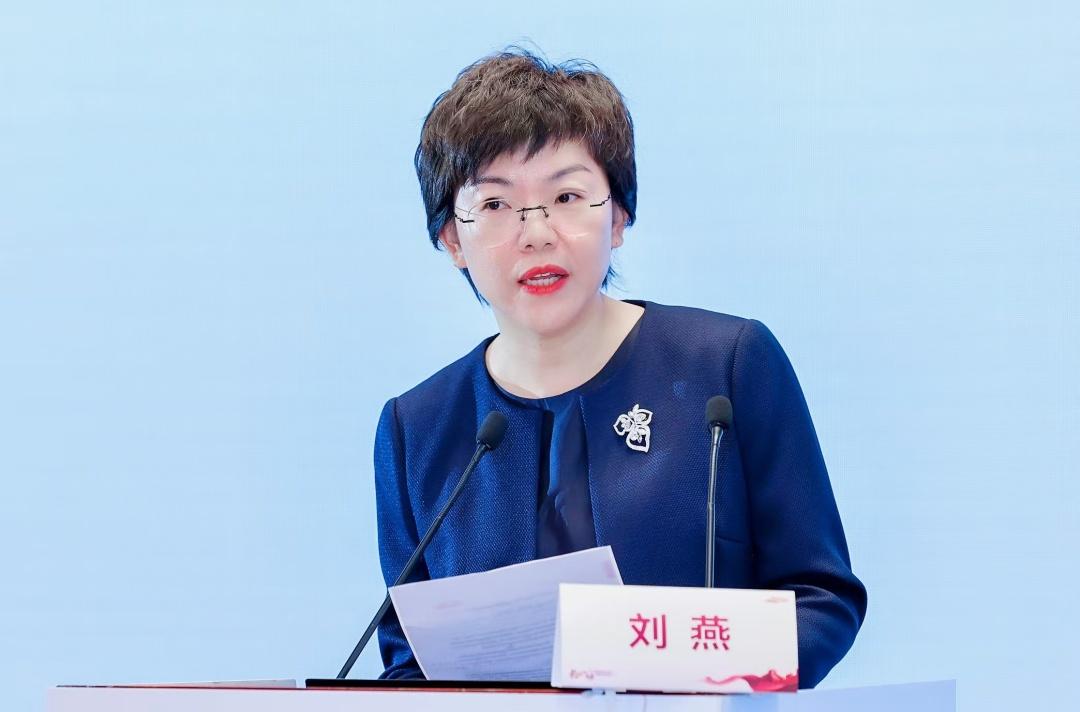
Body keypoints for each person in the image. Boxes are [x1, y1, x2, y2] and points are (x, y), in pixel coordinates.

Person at [373, 48, 867, 688]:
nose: (536, 233)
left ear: (619, 216)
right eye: (494, 205)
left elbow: (821, 600)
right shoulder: (416, 428)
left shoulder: (726, 367)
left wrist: (698, 677)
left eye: (567, 195)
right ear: (451, 239)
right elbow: (410, 665)